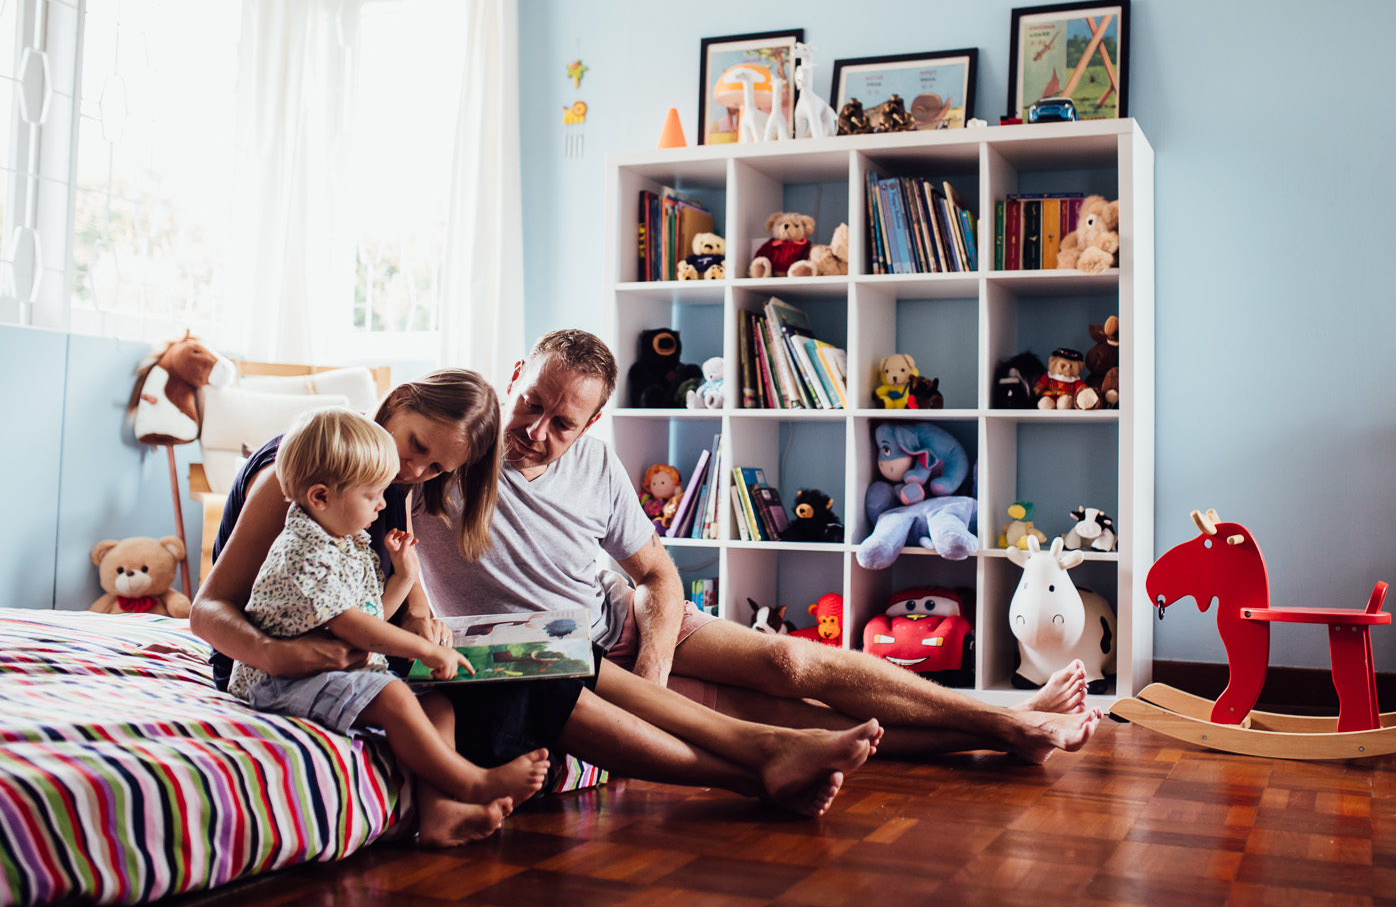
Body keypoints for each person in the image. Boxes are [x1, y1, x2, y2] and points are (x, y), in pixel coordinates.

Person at [193, 368, 882, 847]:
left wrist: (429, 623)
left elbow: (401, 604)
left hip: (356, 656)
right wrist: (281, 653)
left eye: (436, 470)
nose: (415, 472)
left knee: (547, 644)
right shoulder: (306, 468)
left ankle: (761, 753)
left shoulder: (393, 485)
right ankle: (754, 766)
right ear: (397, 401)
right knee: (529, 666)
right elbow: (208, 611)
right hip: (276, 664)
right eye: (416, 448)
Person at [414, 330, 1102, 763]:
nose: (536, 431)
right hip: (566, 661)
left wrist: (655, 651)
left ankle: (1004, 717)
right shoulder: (440, 457)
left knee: (792, 660)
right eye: (531, 403)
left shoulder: (594, 464)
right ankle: (1006, 733)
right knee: (789, 720)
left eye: (562, 422)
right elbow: (346, 466)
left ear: (593, 420)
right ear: (513, 376)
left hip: (628, 624)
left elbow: (655, 572)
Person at [227, 405, 552, 835]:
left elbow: (368, 612)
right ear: (321, 497)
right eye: (372, 495)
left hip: (332, 669)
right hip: (282, 680)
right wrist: (422, 648)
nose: (385, 503)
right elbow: (352, 627)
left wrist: (404, 577)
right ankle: (474, 782)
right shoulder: (303, 549)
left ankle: (438, 812)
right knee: (397, 699)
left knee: (437, 704)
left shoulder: (343, 539)